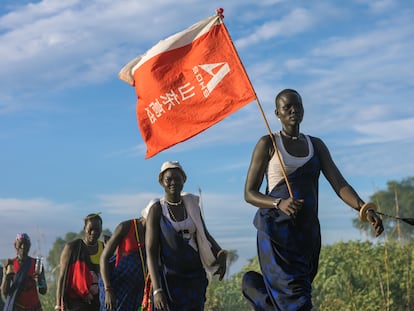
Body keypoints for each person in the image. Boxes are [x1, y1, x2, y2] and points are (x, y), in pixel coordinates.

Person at [242, 89, 384, 311]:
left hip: (306, 235)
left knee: (298, 293)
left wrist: (364, 208)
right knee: (297, 300)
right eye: (287, 106)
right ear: (276, 112)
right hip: (276, 235)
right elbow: (249, 193)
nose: (293, 110)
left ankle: (253, 287)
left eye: (297, 105)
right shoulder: (268, 143)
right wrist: (278, 203)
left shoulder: (315, 145)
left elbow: (339, 183)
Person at [144, 161, 228, 311]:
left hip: (194, 276)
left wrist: (220, 253)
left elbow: (204, 233)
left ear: (184, 180)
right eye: (169, 179)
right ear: (161, 182)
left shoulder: (191, 205)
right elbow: (150, 251)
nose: (173, 182)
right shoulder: (157, 210)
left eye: (177, 178)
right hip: (169, 279)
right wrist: (157, 290)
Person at [55, 213, 104, 311]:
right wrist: (58, 305)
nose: (94, 232)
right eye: (91, 229)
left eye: (97, 229)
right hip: (75, 304)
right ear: (84, 229)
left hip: (98, 304)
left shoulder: (104, 248)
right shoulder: (72, 248)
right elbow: (62, 278)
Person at [99, 217, 146, 311]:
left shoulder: (155, 231)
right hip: (117, 286)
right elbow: (104, 258)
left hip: (137, 290)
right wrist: (108, 289)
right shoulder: (125, 227)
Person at [1, 233, 47, 311]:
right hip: (18, 307)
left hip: (35, 307)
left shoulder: (36, 264)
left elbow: (43, 291)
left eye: (26, 244)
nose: (23, 247)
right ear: (15, 245)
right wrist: (7, 276)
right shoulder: (11, 264)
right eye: (20, 244)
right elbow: (5, 293)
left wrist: (39, 279)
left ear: (29, 246)